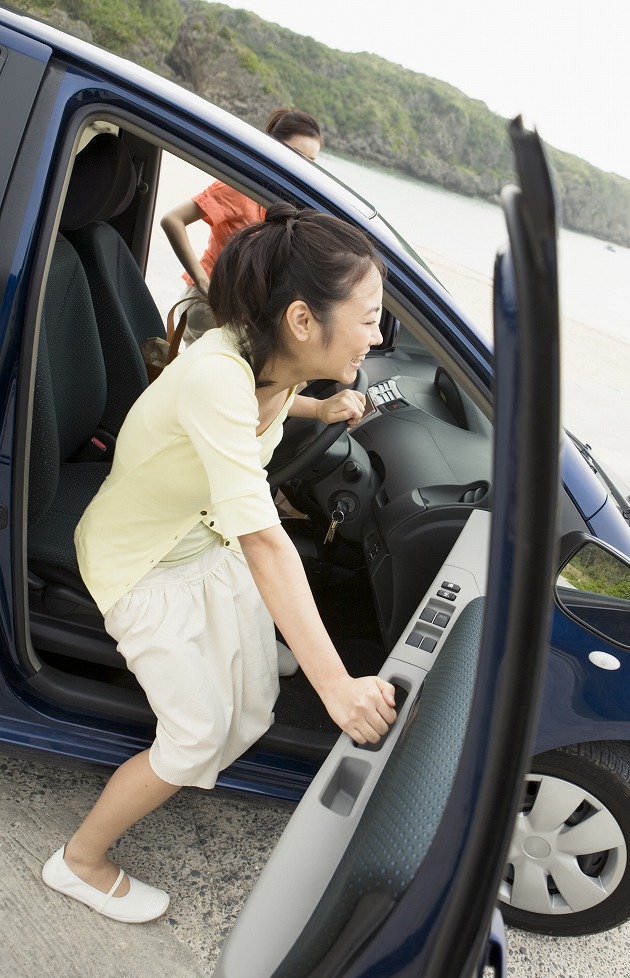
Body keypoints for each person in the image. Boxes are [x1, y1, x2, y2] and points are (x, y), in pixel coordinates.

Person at [42, 202, 396, 923]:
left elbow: (269, 406)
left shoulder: (275, 360)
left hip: (201, 540)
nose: (379, 335)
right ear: (304, 319)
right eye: (368, 318)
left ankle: (249, 672)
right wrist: (336, 687)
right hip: (141, 561)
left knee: (253, 704)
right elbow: (265, 540)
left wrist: (320, 410)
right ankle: (79, 861)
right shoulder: (218, 376)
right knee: (199, 733)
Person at [160, 108, 323, 342]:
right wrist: (203, 282)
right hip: (210, 305)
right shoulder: (239, 189)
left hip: (240, 310)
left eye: (310, 162)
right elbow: (172, 220)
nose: (301, 166)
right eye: (296, 155)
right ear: (273, 146)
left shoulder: (283, 202)